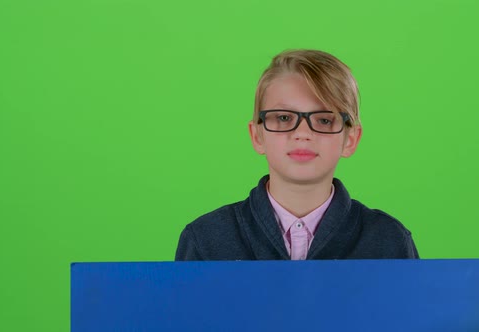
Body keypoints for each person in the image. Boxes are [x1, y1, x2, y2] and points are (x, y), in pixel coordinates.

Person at [175, 49, 419, 261]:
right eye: (283, 117)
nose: (303, 133)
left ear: (350, 139)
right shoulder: (205, 240)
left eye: (324, 119)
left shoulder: (389, 241)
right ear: (257, 135)